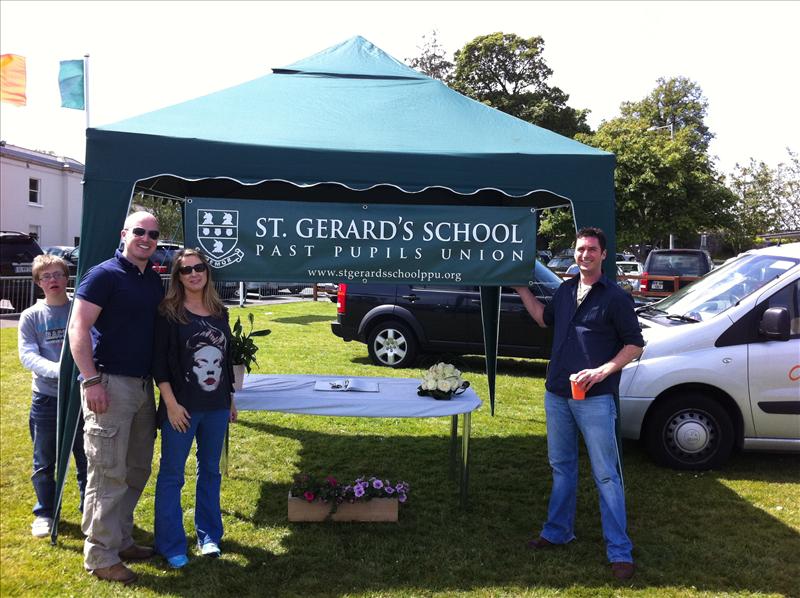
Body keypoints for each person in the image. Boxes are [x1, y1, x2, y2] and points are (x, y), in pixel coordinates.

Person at [514, 227, 644, 581]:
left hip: (595, 399)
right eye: (580, 249)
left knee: (606, 475)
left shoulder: (615, 297)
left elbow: (634, 345)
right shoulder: (566, 290)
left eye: (591, 250)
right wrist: (520, 288)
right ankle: (557, 532)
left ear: (603, 255)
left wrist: (603, 371)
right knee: (562, 467)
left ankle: (619, 550)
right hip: (557, 393)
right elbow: (544, 319)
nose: (584, 254)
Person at [68, 211, 164, 585]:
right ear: (125, 234)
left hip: (142, 387)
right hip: (108, 384)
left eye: (153, 234)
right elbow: (78, 327)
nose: (146, 238)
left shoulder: (151, 281)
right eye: (139, 231)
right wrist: (91, 381)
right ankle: (100, 555)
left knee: (137, 468)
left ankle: (121, 538)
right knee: (107, 472)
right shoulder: (103, 275)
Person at [152, 248, 237, 569]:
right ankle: (171, 543)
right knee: (173, 475)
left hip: (216, 407)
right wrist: (171, 405)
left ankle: (209, 536)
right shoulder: (168, 312)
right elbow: (158, 363)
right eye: (185, 270)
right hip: (181, 409)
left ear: (207, 272)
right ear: (178, 277)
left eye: (198, 268)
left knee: (211, 472)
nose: (193, 274)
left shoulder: (219, 312)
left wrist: (230, 398)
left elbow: (226, 361)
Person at [18, 254, 87, 538]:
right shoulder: (31, 316)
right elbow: (28, 355)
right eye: (46, 276)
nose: (53, 280)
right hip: (47, 399)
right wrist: (61, 371)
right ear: (38, 283)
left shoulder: (79, 309)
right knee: (44, 461)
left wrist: (79, 372)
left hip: (81, 397)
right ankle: (45, 512)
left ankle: (89, 511)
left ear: (67, 277)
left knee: (87, 458)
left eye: (58, 274)